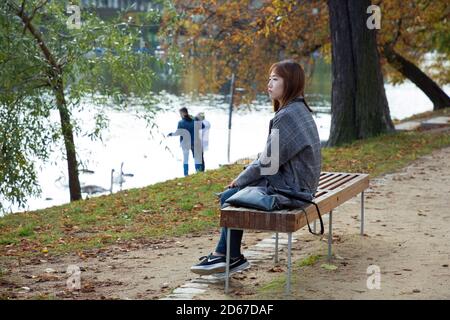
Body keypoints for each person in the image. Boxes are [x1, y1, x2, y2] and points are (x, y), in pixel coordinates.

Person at [190, 60, 322, 276]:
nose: (269, 84)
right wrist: (245, 177)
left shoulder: (287, 116)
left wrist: (241, 180)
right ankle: (229, 256)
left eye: (275, 79)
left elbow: (267, 163)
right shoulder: (299, 109)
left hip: (295, 191)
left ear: (290, 83)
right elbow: (269, 159)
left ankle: (227, 256)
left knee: (229, 197)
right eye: (269, 79)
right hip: (300, 184)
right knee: (233, 193)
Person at [168, 107, 205, 176]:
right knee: (197, 159)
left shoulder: (181, 123)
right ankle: (199, 173)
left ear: (182, 113)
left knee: (185, 159)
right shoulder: (195, 120)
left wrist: (171, 134)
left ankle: (186, 174)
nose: (180, 115)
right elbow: (203, 126)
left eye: (180, 113)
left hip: (185, 144)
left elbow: (178, 133)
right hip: (195, 143)